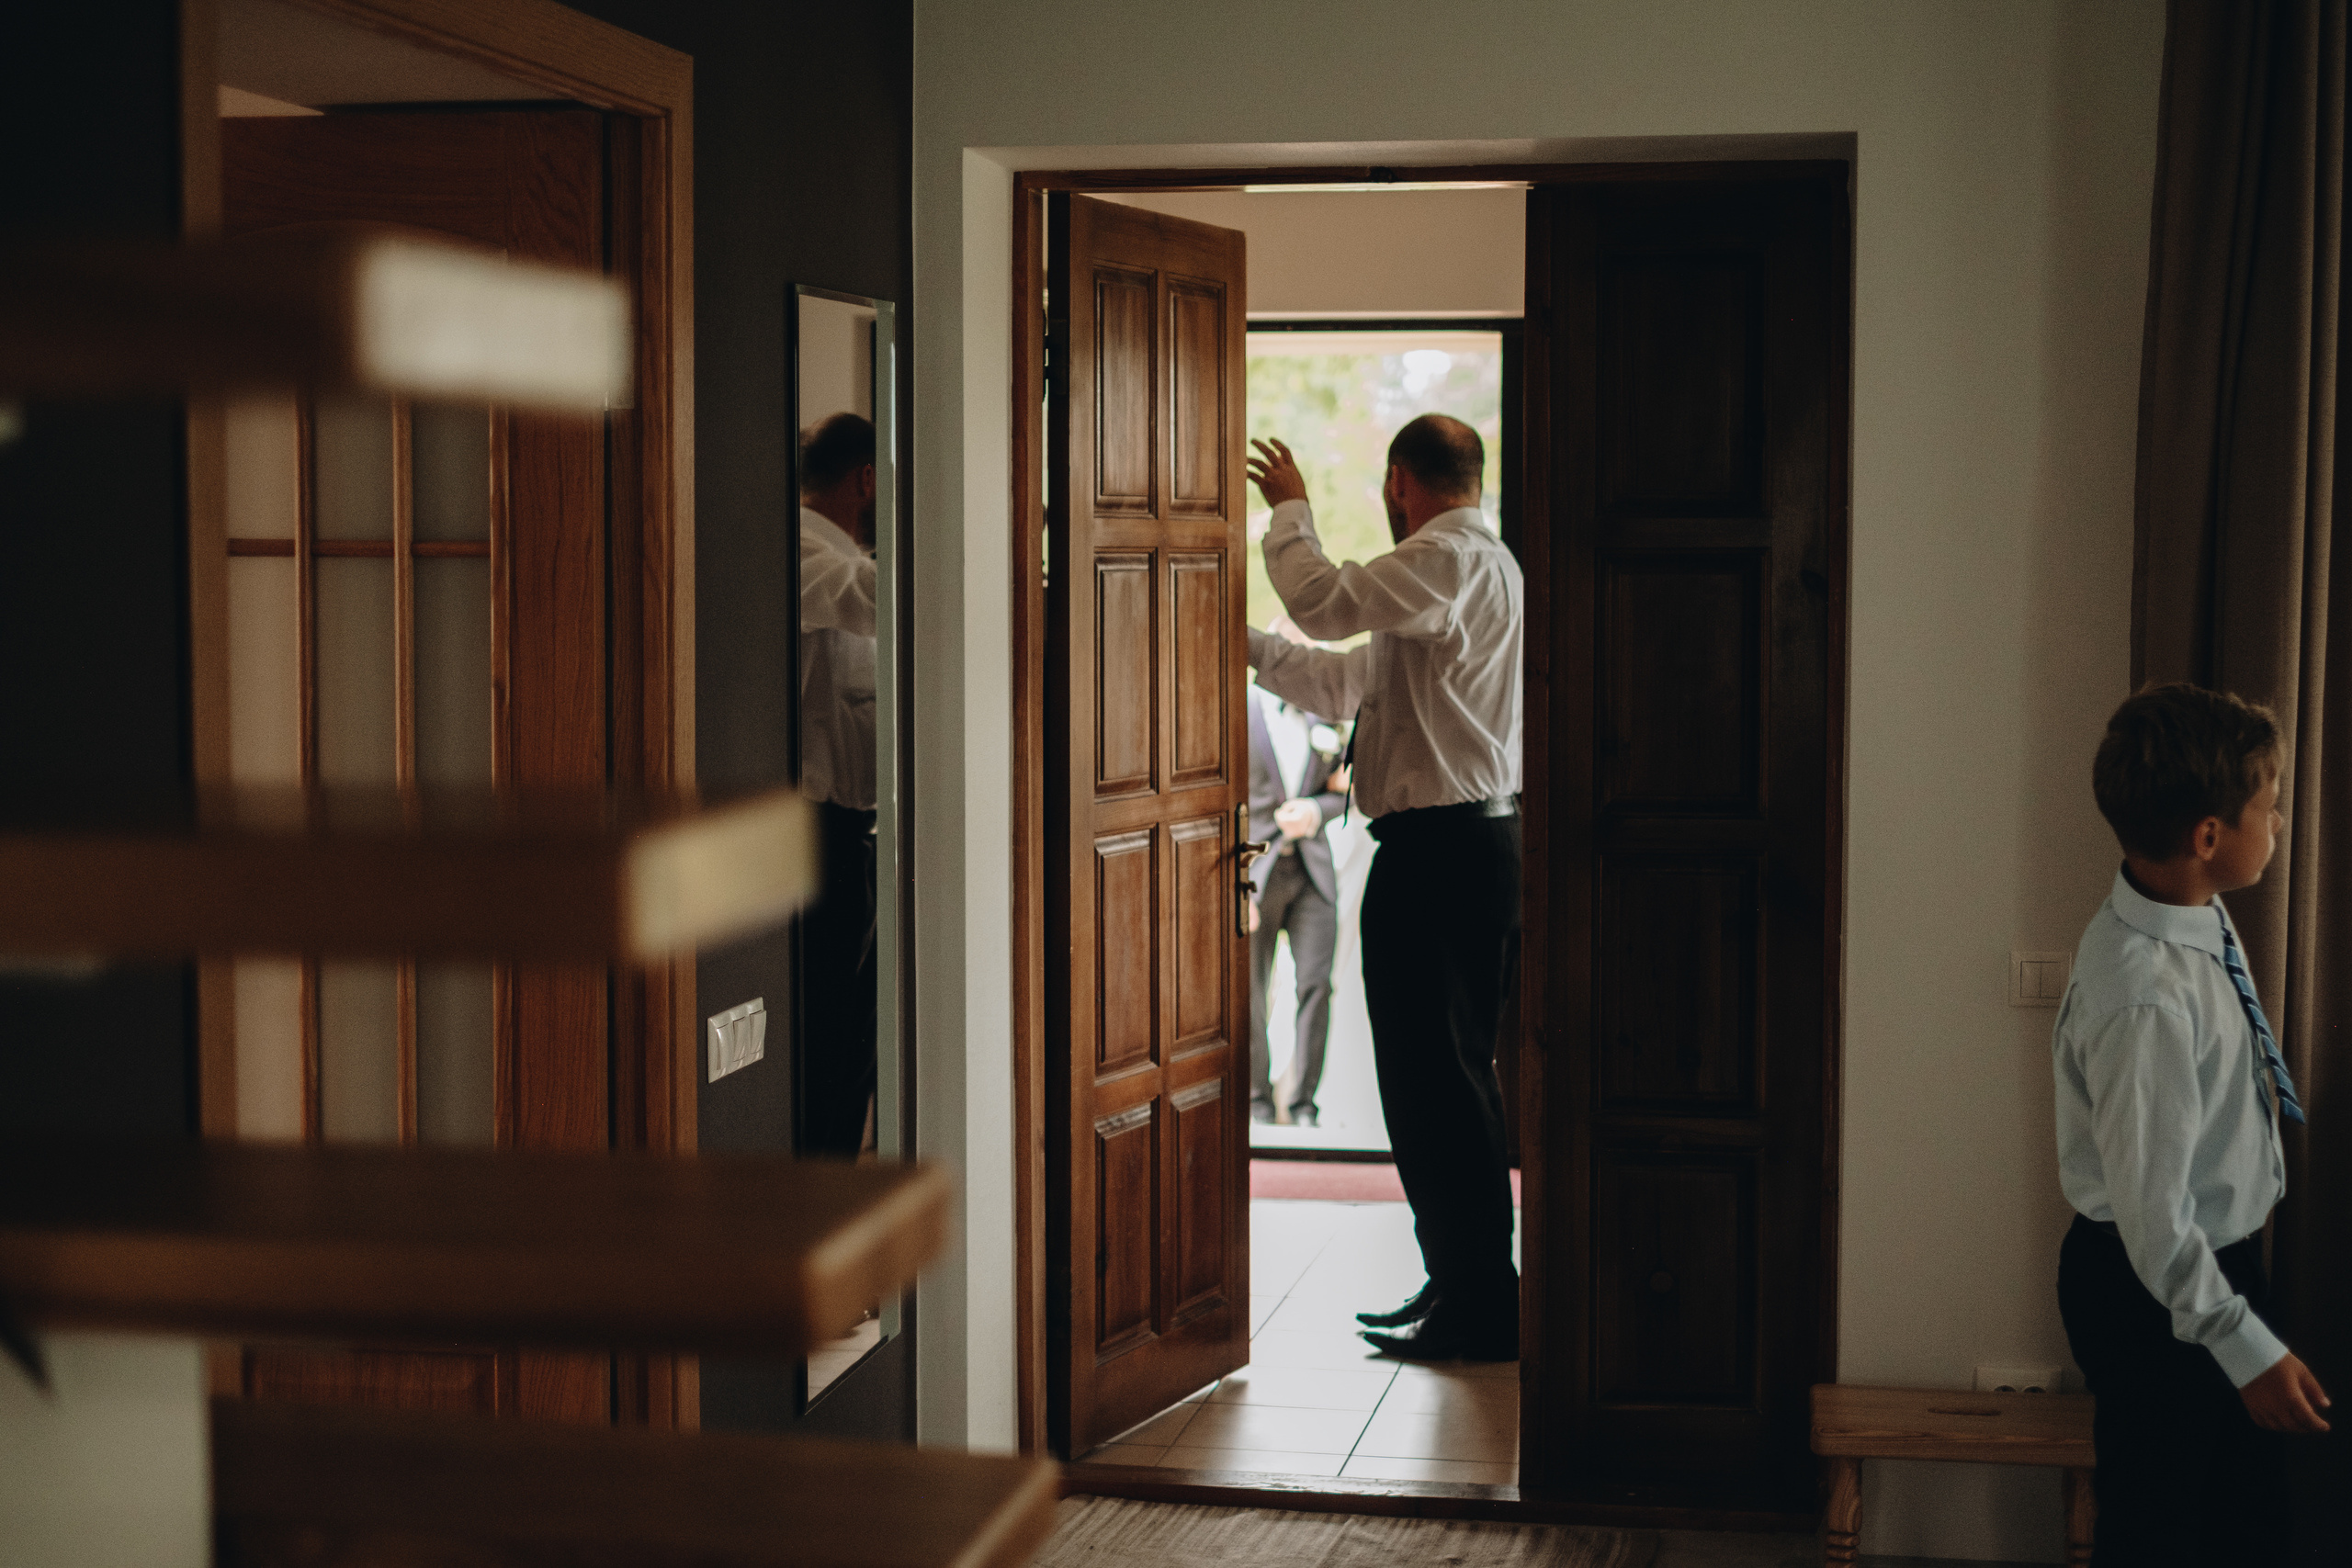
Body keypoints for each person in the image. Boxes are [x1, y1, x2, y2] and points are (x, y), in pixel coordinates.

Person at [1245, 413, 1522, 1362]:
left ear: (1400, 483)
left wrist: (1288, 511)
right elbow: (1332, 682)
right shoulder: (1451, 584)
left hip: (1443, 854)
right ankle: (1461, 1281)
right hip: (1445, 851)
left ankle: (1483, 1301)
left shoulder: (1447, 559)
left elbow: (1322, 601)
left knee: (1440, 1081)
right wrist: (1230, 637)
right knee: (1432, 1082)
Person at [2054, 683, 2331, 1563]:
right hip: (2158, 1282)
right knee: (2162, 1527)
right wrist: (2241, 1339)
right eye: (2269, 806)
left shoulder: (2189, 911)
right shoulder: (2146, 1001)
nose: (2280, 821)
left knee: (2240, 1513)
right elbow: (2153, 1218)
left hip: (2204, 1262)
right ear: (2209, 836)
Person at [797, 411, 879, 1158]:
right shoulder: (798, 550)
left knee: (857, 1039)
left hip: (853, 841)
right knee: (821, 1036)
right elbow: (872, 597)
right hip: (808, 841)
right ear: (867, 480)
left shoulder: (848, 556)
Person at [1246, 668, 1348, 1126]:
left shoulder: (1323, 717)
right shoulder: (1238, 710)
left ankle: (1305, 1106)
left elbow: (1346, 791)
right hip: (1256, 871)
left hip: (1313, 874)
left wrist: (1314, 810)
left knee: (1316, 985)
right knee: (1250, 990)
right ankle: (1257, 1103)